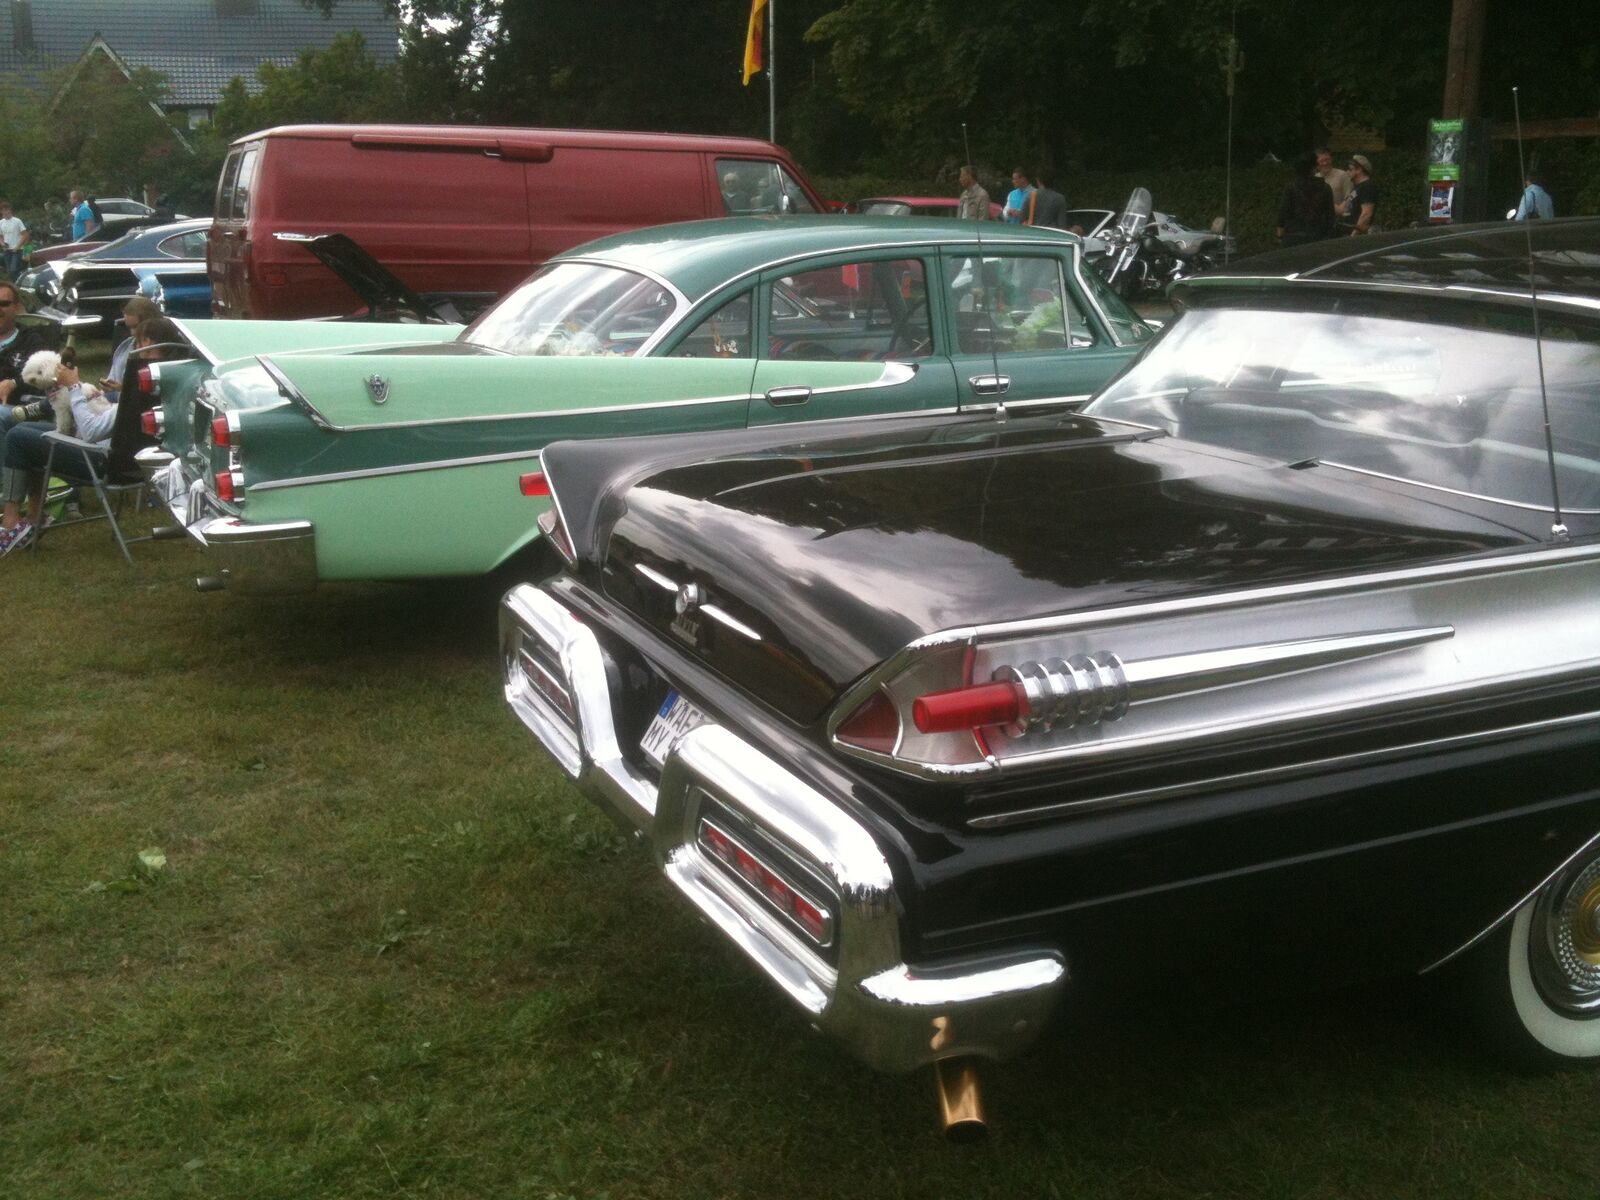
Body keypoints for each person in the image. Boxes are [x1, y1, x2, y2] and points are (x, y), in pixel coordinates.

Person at [0, 316, 181, 554]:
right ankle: (34, 517)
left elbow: (90, 432)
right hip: (131, 460)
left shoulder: (140, 392)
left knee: (18, 437)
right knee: (26, 433)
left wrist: (74, 387)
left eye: (142, 347)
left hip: (104, 462)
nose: (136, 352)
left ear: (157, 349)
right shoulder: (169, 385)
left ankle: (11, 522)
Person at [0, 281, 52, 430]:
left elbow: (47, 377)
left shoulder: (32, 341)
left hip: (20, 408)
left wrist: (14, 383)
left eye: (4, 304)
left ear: (16, 308)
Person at [101, 296, 162, 399]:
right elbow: (112, 382)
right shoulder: (125, 347)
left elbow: (154, 396)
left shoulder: (160, 351)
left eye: (136, 326)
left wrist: (123, 390)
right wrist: (108, 388)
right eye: (129, 327)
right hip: (112, 403)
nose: (132, 332)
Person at [1275, 153, 1337, 246]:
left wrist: (1280, 237)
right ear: (1314, 167)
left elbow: (1283, 214)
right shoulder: (1325, 187)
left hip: (1294, 238)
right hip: (1319, 237)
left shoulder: (1291, 188)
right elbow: (1330, 216)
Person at [1314, 149, 1353, 223]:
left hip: (1338, 220)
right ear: (1316, 163)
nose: (1325, 163)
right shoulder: (1315, 178)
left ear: (1331, 159)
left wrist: (1339, 210)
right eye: (1321, 161)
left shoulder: (1342, 175)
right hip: (1319, 221)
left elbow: (1350, 198)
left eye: (1327, 159)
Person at [1344, 155, 1378, 236]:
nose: (1347, 172)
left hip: (1359, 237)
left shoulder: (1367, 187)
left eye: (1350, 169)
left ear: (1359, 169)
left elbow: (1366, 214)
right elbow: (1343, 208)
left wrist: (1353, 236)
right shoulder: (1357, 187)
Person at [0, 202, 27, 280]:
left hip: (17, 250)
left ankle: (19, 283)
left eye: (6, 210)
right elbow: (0, 236)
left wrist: (18, 246)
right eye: (3, 210)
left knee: (13, 270)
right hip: (7, 250)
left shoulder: (17, 221)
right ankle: (15, 284)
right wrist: (2, 244)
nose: (5, 212)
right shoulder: (1, 222)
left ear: (10, 210)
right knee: (9, 271)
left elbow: (25, 234)